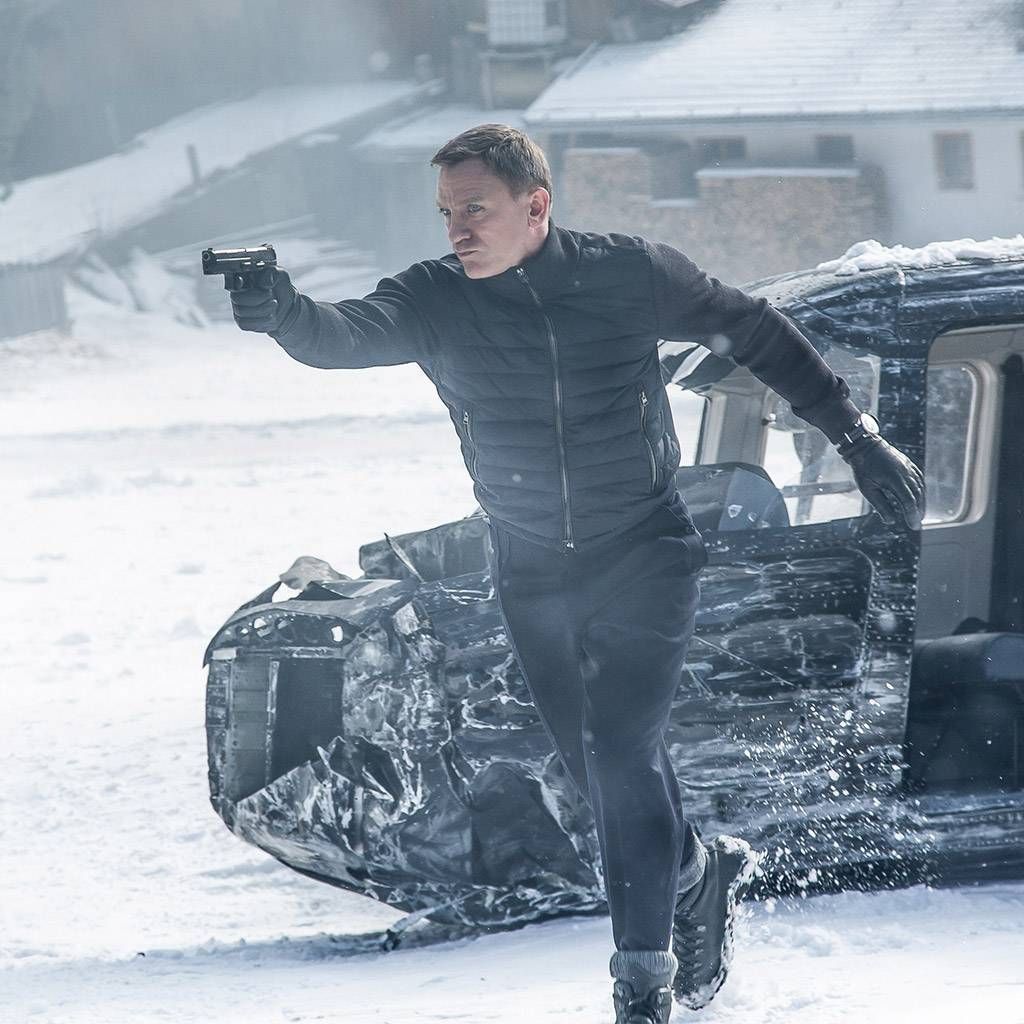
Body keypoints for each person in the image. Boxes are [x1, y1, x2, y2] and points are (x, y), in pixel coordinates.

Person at [230, 124, 924, 1024]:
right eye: (446, 212)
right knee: (597, 775)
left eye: (475, 208)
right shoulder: (435, 298)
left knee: (621, 753)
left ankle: (641, 987)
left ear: (536, 205)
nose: (458, 229)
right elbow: (341, 335)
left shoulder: (628, 274)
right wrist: (282, 311)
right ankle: (698, 875)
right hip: (529, 569)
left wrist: (855, 437)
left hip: (643, 553)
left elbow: (752, 329)